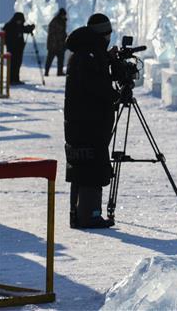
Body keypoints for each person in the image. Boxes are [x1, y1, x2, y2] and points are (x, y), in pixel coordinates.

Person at [64, 13, 118, 229]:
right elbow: (96, 89)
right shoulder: (89, 56)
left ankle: (78, 214)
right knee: (91, 165)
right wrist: (116, 95)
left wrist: (106, 59)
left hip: (80, 123)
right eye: (108, 34)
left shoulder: (84, 52)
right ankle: (90, 216)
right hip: (89, 123)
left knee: (81, 166)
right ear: (103, 34)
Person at [2, 12, 34, 85]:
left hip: (19, 49)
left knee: (18, 64)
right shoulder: (9, 26)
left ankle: (16, 79)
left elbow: (25, 29)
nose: (20, 22)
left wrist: (30, 28)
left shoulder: (19, 26)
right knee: (12, 64)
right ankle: (11, 79)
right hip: (12, 49)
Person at [45, 8, 67, 77]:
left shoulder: (62, 21)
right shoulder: (55, 21)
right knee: (50, 59)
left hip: (60, 44)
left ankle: (59, 71)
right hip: (53, 44)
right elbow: (53, 33)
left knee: (60, 59)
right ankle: (46, 72)